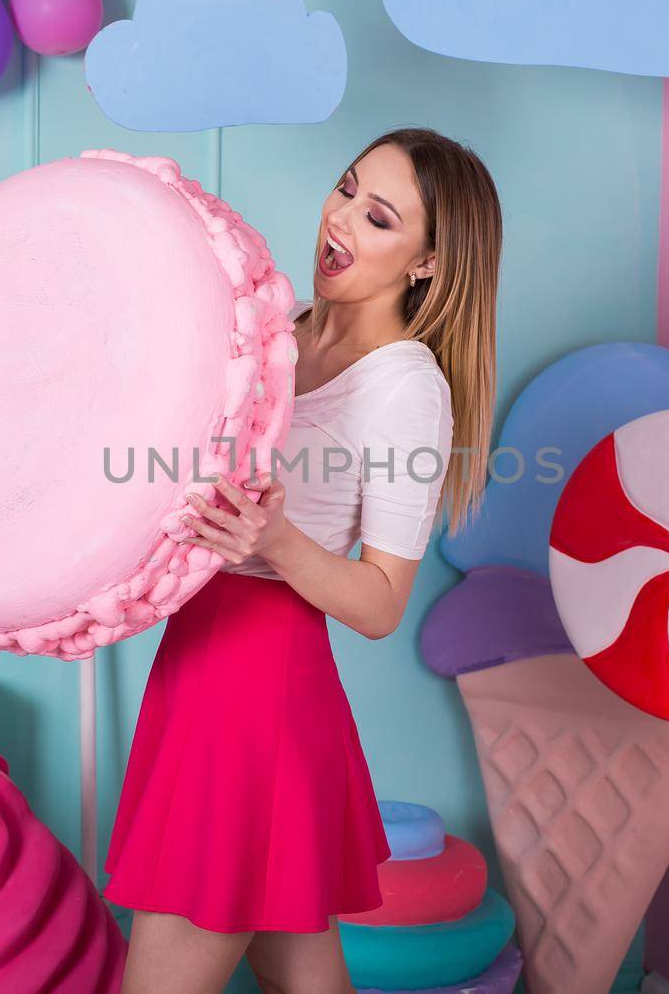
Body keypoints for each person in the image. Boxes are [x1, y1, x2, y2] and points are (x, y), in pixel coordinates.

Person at [103, 128, 502, 994]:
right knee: (305, 975)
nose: (342, 217)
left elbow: (382, 602)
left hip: (260, 689)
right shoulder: (282, 332)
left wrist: (275, 541)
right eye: (347, 188)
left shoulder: (407, 388)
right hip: (197, 660)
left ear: (427, 262)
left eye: (380, 216)